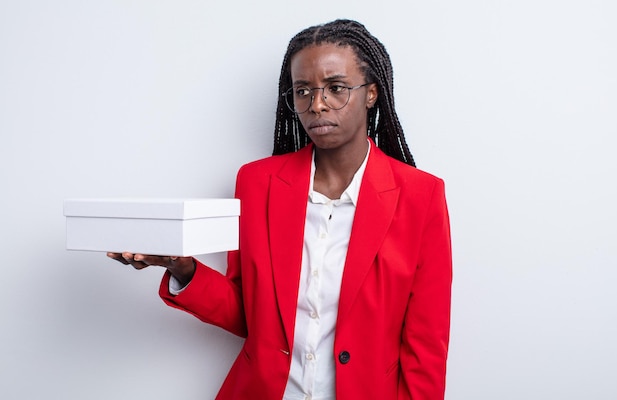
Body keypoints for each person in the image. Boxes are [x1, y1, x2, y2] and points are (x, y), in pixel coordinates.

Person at [108, 19, 452, 400]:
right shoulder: (257, 184)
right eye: (302, 91)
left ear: (371, 93)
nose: (316, 104)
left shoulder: (421, 196)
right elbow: (249, 315)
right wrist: (182, 267)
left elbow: (426, 347)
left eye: (336, 88)